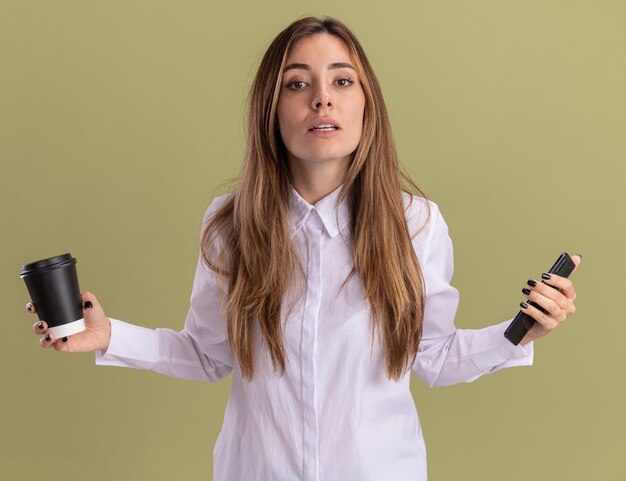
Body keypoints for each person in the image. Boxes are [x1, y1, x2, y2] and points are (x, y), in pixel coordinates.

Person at [28, 16, 581, 481]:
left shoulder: (416, 224)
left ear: (367, 105)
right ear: (271, 108)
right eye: (298, 83)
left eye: (343, 82)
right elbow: (207, 354)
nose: (322, 98)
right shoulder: (229, 225)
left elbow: (431, 356)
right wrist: (109, 336)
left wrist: (522, 330)